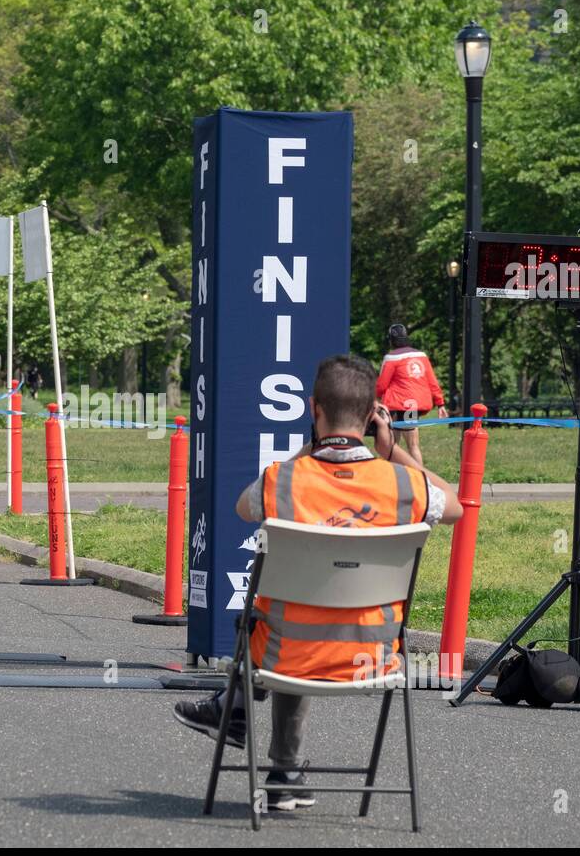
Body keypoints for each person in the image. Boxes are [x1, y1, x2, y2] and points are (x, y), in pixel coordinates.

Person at [173, 354, 462, 811]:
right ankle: (282, 771)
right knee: (287, 616)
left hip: (285, 654)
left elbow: (242, 508)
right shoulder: (403, 487)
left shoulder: (283, 482)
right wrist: (391, 451)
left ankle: (237, 709)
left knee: (270, 611)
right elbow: (457, 507)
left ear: (313, 409)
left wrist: (308, 451)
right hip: (374, 656)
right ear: (372, 416)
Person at [375, 324, 448, 466]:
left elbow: (382, 385)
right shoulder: (421, 356)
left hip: (404, 404)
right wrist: (440, 404)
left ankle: (421, 478)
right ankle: (394, 475)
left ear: (391, 339)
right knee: (393, 443)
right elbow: (432, 381)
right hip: (413, 404)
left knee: (411, 445)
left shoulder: (391, 358)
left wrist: (374, 399)